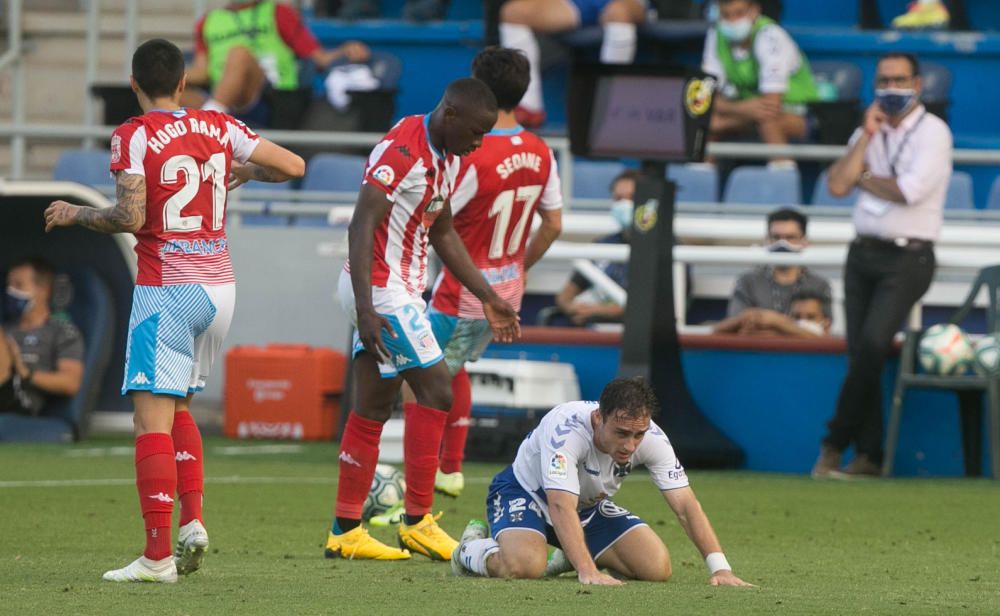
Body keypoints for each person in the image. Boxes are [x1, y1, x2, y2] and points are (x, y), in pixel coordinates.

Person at [44, 38, 306, 583]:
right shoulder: (218, 126)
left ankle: (157, 557)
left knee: (149, 422)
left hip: (167, 289)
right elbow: (294, 164)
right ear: (185, 83)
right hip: (220, 289)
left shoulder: (132, 136)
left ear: (134, 85)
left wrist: (75, 212)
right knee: (180, 407)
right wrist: (244, 173)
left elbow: (130, 216)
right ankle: (192, 523)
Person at [324, 77, 521, 562]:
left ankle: (345, 528)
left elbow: (445, 230)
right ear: (450, 114)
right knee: (436, 389)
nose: (478, 145)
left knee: (373, 404)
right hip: (384, 291)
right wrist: (366, 308)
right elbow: (361, 222)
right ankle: (417, 521)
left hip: (397, 289)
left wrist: (488, 296)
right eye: (476, 133)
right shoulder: (403, 153)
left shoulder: (446, 157)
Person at [422, 46, 563, 500]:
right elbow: (554, 223)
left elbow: (437, 221)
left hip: (466, 289)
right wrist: (517, 269)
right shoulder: (541, 151)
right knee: (454, 369)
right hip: (507, 287)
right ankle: (449, 467)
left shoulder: (472, 152)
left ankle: (419, 475)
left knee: (419, 373)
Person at [450, 377, 752, 587]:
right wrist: (588, 570)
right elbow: (558, 503)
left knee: (655, 568)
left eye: (638, 435)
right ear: (598, 418)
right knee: (525, 566)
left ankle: (569, 553)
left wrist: (720, 569)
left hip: (585, 506)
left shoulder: (653, 438)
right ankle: (470, 549)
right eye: (621, 433)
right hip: (527, 493)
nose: (630, 446)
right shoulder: (566, 429)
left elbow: (686, 505)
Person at [812, 52, 950, 479]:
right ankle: (869, 456)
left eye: (900, 80)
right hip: (863, 253)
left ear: (917, 84)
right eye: (884, 80)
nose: (891, 88)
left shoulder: (933, 132)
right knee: (861, 354)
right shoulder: (868, 129)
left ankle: (834, 443)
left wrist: (864, 177)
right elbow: (837, 184)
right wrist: (867, 138)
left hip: (908, 256)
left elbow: (906, 191)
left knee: (872, 345)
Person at [183, 0, 370, 118]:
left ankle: (211, 120)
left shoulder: (280, 13)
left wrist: (345, 50)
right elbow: (201, 72)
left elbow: (320, 58)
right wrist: (160, 75)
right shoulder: (208, 21)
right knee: (160, 91)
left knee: (238, 52)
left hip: (271, 97)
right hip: (222, 96)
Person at [499, 0, 647, 128]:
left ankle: (612, 107)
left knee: (618, 13)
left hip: (625, 3)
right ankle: (528, 106)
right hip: (579, 4)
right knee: (513, 13)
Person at [701, 0, 817, 150]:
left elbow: (770, 106)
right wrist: (742, 108)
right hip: (747, 113)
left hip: (800, 115)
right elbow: (705, 98)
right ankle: (701, 171)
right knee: (702, 122)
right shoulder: (716, 35)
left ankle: (783, 170)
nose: (732, 21)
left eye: (739, 13)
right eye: (726, 15)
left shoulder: (771, 36)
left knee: (768, 122)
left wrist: (723, 120)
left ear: (754, 10)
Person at [0, 257, 83, 417]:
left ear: (43, 290)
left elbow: (70, 383)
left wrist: (26, 373)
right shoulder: (7, 327)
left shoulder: (62, 331)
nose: (10, 291)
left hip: (22, 399)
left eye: (18, 285)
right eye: (8, 285)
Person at [553, 169, 636, 325]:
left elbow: (655, 307)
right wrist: (575, 308)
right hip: (589, 329)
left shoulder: (668, 248)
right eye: (618, 198)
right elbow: (564, 297)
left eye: (632, 198)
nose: (624, 204)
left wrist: (598, 310)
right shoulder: (603, 245)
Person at [724, 207, 831, 319]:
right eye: (776, 237)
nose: (782, 244)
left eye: (790, 237)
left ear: (804, 242)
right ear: (767, 240)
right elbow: (738, 325)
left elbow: (821, 330)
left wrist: (768, 321)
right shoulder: (748, 282)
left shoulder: (819, 285)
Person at [713, 289, 832, 338]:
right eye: (796, 316)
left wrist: (776, 321)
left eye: (811, 317)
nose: (803, 321)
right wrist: (746, 316)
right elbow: (716, 331)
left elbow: (819, 339)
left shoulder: (836, 350)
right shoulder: (773, 332)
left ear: (826, 323)